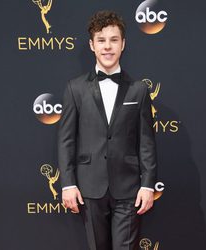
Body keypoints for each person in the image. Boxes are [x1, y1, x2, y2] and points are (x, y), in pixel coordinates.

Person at [58, 10, 157, 250]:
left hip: (129, 187)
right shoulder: (75, 88)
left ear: (123, 44)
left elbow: (146, 141)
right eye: (101, 40)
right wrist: (68, 184)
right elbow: (66, 139)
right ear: (92, 45)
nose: (108, 47)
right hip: (89, 187)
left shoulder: (139, 90)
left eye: (114, 40)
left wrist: (147, 184)